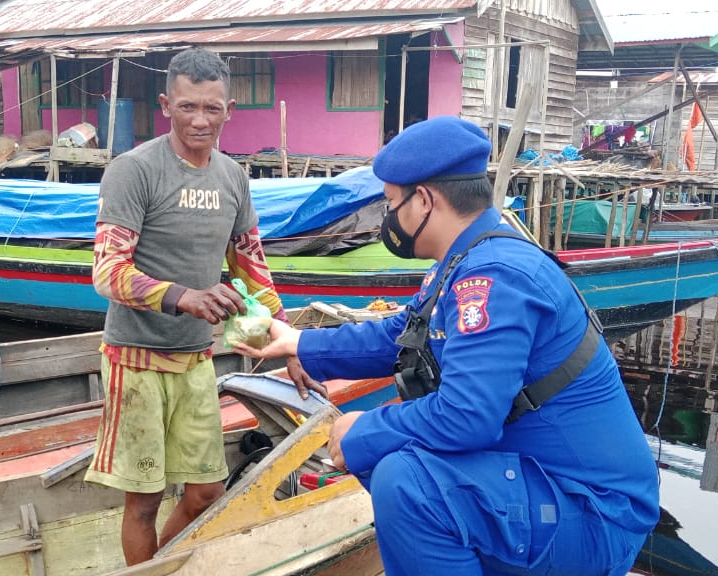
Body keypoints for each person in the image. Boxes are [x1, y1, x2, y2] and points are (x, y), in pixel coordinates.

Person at [236, 116, 660, 575]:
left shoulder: (494, 277)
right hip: (545, 485)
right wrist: (299, 342)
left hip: (591, 512)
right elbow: (401, 335)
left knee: (405, 481)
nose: (387, 217)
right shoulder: (465, 260)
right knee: (393, 457)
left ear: (423, 200)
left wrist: (366, 428)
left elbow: (467, 417)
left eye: (390, 203)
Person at [87, 47, 322, 565]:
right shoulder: (134, 170)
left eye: (211, 109)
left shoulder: (233, 178)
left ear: (229, 110)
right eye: (188, 106)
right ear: (167, 104)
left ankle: (158, 567)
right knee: (144, 501)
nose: (200, 119)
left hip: (195, 358)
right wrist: (183, 297)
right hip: (136, 359)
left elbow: (251, 269)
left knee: (206, 493)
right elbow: (107, 272)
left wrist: (288, 345)